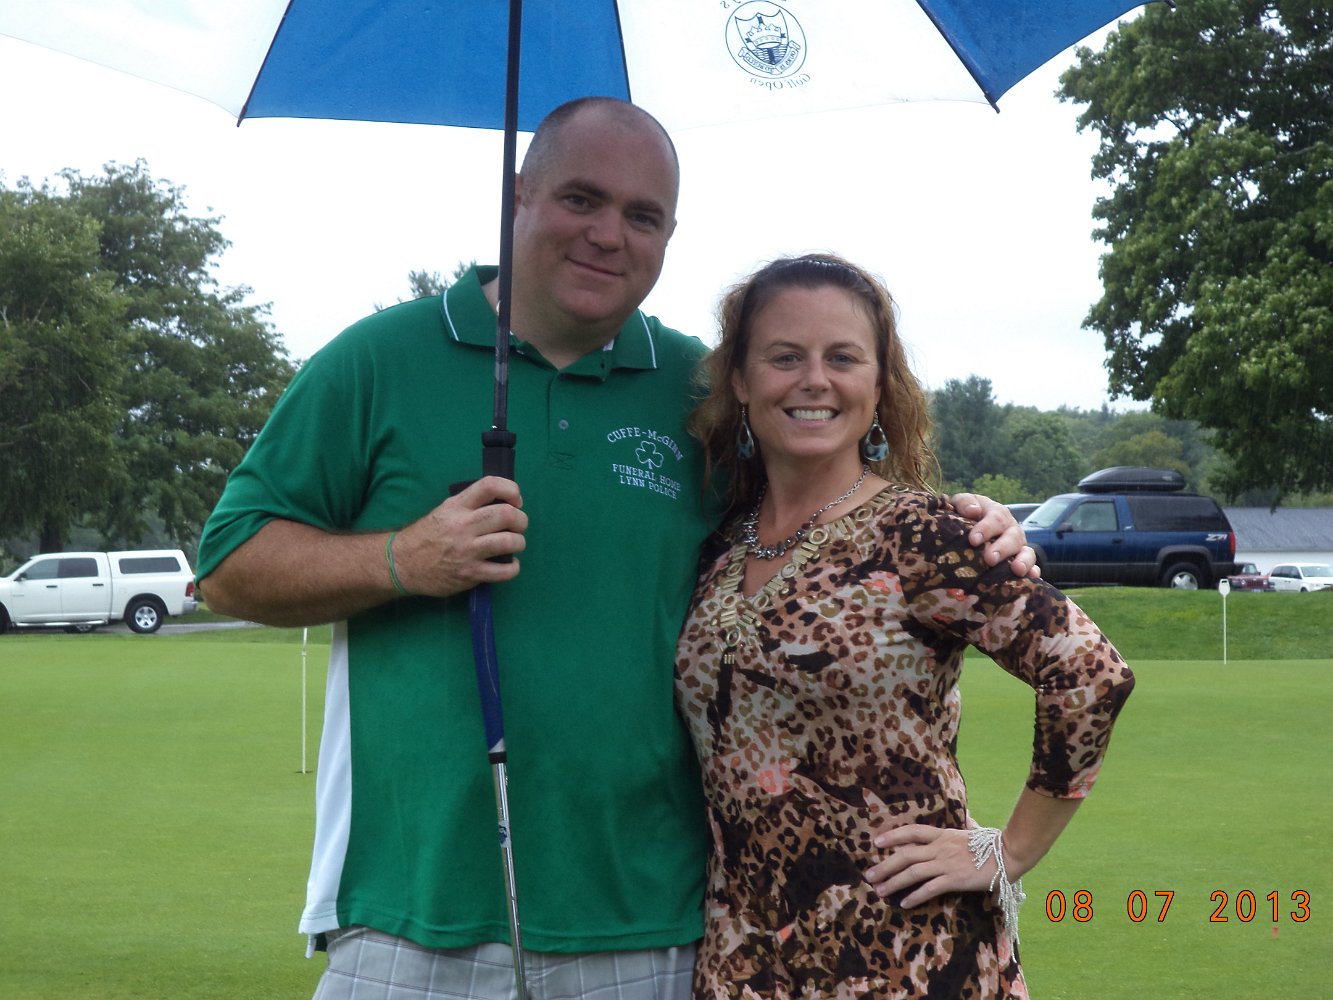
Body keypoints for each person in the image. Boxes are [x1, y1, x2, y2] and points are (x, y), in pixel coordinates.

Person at [196, 100, 1035, 1000]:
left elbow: (823, 493)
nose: (608, 234)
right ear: (517, 197)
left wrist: (966, 524)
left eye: (642, 216)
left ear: (669, 234)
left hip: (650, 926)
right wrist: (403, 559)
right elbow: (227, 566)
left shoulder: (700, 391)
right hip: (411, 916)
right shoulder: (378, 360)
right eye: (580, 199)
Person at [675, 253, 1135, 998]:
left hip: (905, 956)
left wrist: (1008, 851)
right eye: (784, 357)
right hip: (744, 961)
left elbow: (1088, 671)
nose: (814, 380)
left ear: (880, 383)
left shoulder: (924, 536)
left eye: (842, 358)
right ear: (740, 379)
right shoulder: (719, 545)